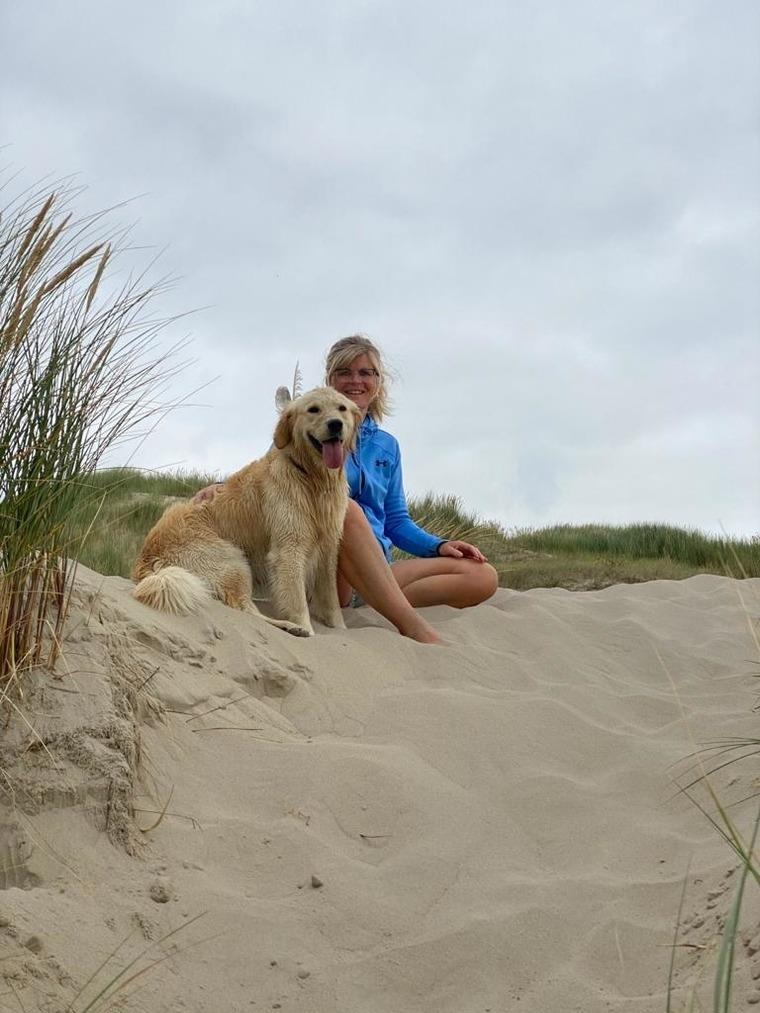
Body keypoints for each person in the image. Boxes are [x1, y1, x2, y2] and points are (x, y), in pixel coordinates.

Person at [196, 335, 498, 644]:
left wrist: (439, 545)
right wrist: (222, 486)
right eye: (345, 372)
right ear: (330, 378)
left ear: (378, 382)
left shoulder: (388, 446)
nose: (356, 380)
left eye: (366, 373)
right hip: (334, 568)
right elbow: (269, 473)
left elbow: (396, 521)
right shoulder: (307, 428)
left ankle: (379, 600)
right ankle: (413, 627)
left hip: (378, 566)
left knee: (482, 575)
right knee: (349, 510)